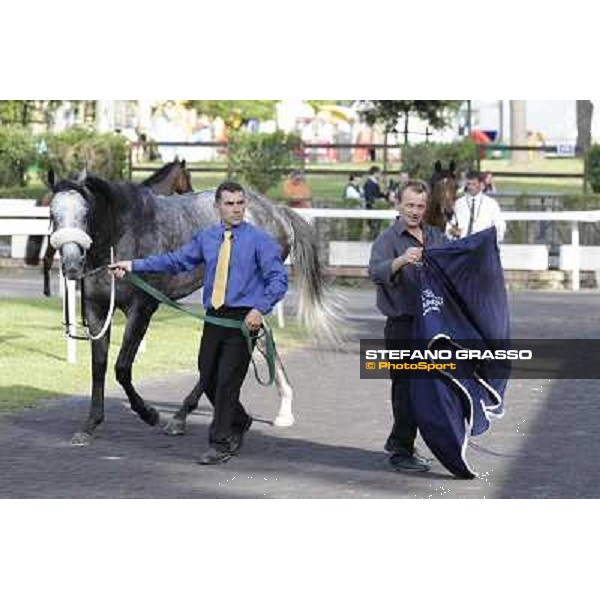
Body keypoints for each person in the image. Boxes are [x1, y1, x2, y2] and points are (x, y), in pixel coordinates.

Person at [109, 181, 288, 465]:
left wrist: (259, 309)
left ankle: (220, 442)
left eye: (240, 203)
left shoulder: (260, 241)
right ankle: (239, 420)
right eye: (229, 204)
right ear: (218, 207)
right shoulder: (208, 237)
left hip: (243, 322)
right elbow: (175, 261)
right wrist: (132, 266)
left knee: (227, 382)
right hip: (215, 317)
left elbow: (279, 280)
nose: (236, 209)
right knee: (207, 378)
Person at [368, 180, 447, 473]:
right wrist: (401, 261)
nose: (415, 211)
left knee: (424, 389)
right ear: (398, 205)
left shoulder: (436, 236)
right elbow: (375, 271)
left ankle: (399, 441)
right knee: (407, 390)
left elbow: (453, 264)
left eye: (420, 206)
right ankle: (401, 451)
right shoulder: (387, 240)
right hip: (402, 326)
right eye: (410, 205)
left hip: (433, 327)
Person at [451, 170, 506, 242]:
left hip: (484, 245)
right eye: (468, 184)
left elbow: (500, 225)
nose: (470, 187)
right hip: (462, 244)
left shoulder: (491, 204)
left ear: (481, 184)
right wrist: (453, 231)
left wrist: (491, 239)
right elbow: (451, 225)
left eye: (474, 184)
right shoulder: (458, 204)